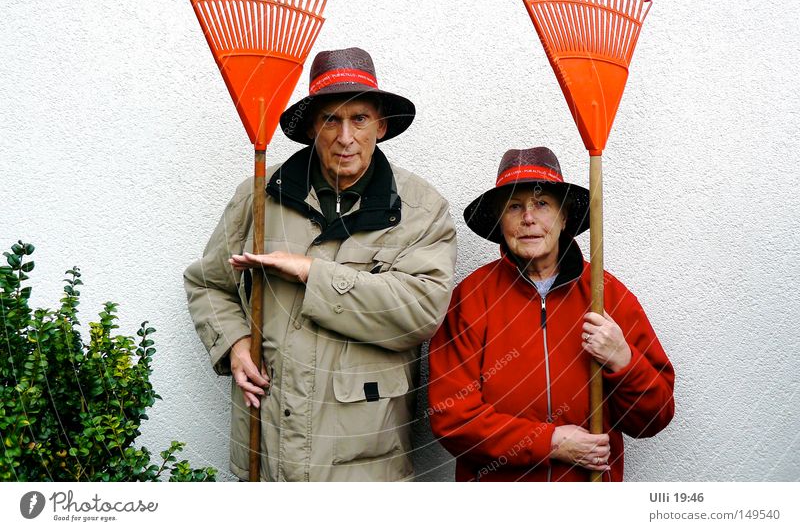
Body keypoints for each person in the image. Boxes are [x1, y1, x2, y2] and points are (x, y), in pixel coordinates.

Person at [184, 47, 457, 481]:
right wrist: (233, 343)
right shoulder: (260, 194)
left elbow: (418, 313)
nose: (345, 136)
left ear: (381, 126)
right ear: (313, 127)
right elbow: (209, 284)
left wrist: (312, 272)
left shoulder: (421, 209)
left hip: (362, 465)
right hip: (266, 447)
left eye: (360, 119)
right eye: (331, 119)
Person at [427, 147, 674, 481]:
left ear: (564, 217)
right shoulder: (471, 298)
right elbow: (451, 416)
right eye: (515, 206)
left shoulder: (606, 295)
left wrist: (623, 361)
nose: (528, 218)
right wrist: (550, 442)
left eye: (542, 204)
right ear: (501, 222)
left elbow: (654, 419)